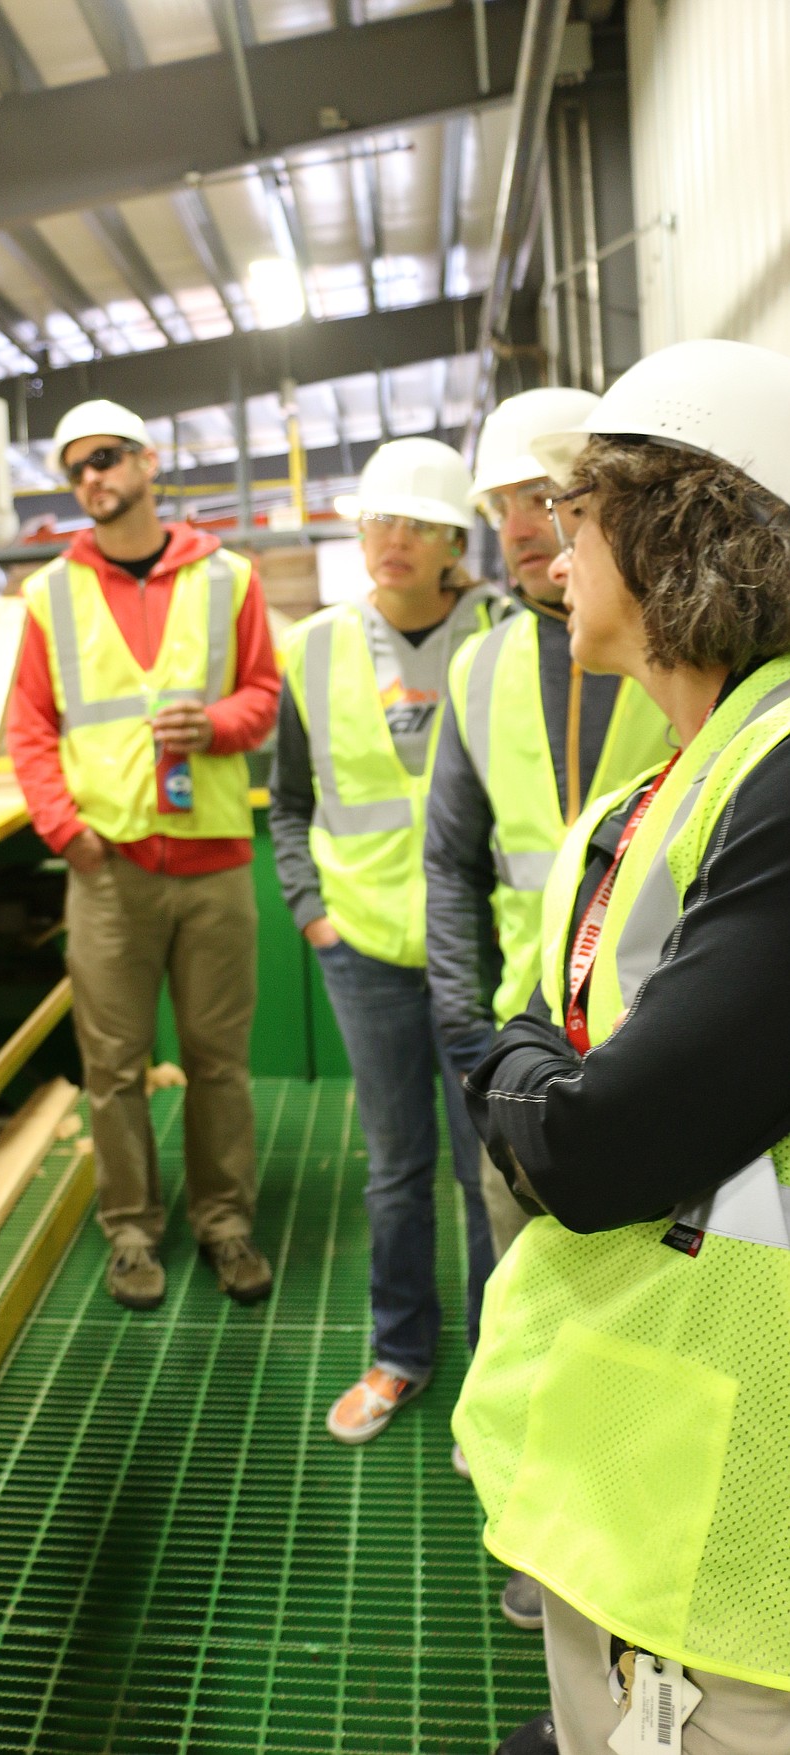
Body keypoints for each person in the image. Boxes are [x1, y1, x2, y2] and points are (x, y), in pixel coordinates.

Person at [453, 339, 790, 1755]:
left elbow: (598, 1139)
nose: (548, 544)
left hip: (737, 1516)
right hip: (640, 1457)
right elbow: (547, 1047)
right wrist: (525, 1078)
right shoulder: (668, 783)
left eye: (575, 513)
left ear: (672, 533)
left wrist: (506, 1084)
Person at [424, 389, 672, 1632]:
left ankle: (612, 1549)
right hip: (529, 1043)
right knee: (522, 1289)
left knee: (638, 1314)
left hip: (664, 1049)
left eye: (548, 501)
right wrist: (473, 1030)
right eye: (505, 505)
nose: (525, 528)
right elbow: (453, 862)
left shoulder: (679, 654)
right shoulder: (477, 669)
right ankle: (538, 1536)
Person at [8, 399, 280, 1311]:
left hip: (212, 866)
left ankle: (225, 1221)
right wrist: (65, 833)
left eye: (109, 456)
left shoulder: (229, 579)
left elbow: (263, 698)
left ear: (149, 460)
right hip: (107, 871)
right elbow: (31, 731)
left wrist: (215, 724)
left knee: (218, 1061)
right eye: (77, 466)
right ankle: (130, 1232)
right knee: (112, 1071)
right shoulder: (48, 594)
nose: (93, 476)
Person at [270, 437, 507, 1444]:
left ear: (456, 538)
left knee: (488, 1174)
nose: (390, 538)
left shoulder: (506, 634)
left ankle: (494, 1385)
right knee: (397, 1166)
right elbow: (288, 803)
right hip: (361, 949)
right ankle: (403, 1352)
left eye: (414, 522)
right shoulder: (316, 646)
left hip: (486, 955)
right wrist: (311, 914)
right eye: (375, 519)